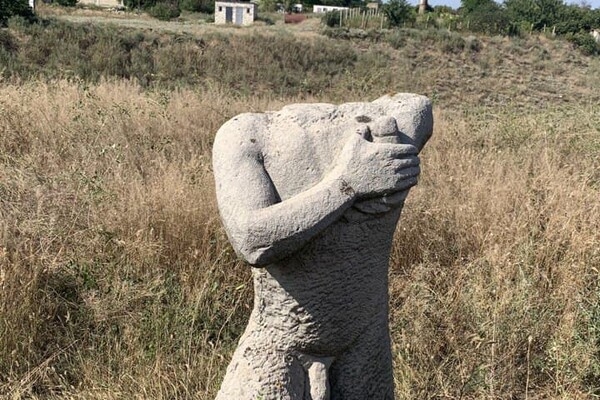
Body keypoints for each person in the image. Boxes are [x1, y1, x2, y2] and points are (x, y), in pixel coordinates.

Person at [212, 94, 433, 400]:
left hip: (364, 346)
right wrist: (347, 184)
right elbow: (252, 241)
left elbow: (417, 106)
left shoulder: (244, 134)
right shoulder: (245, 134)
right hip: (281, 344)